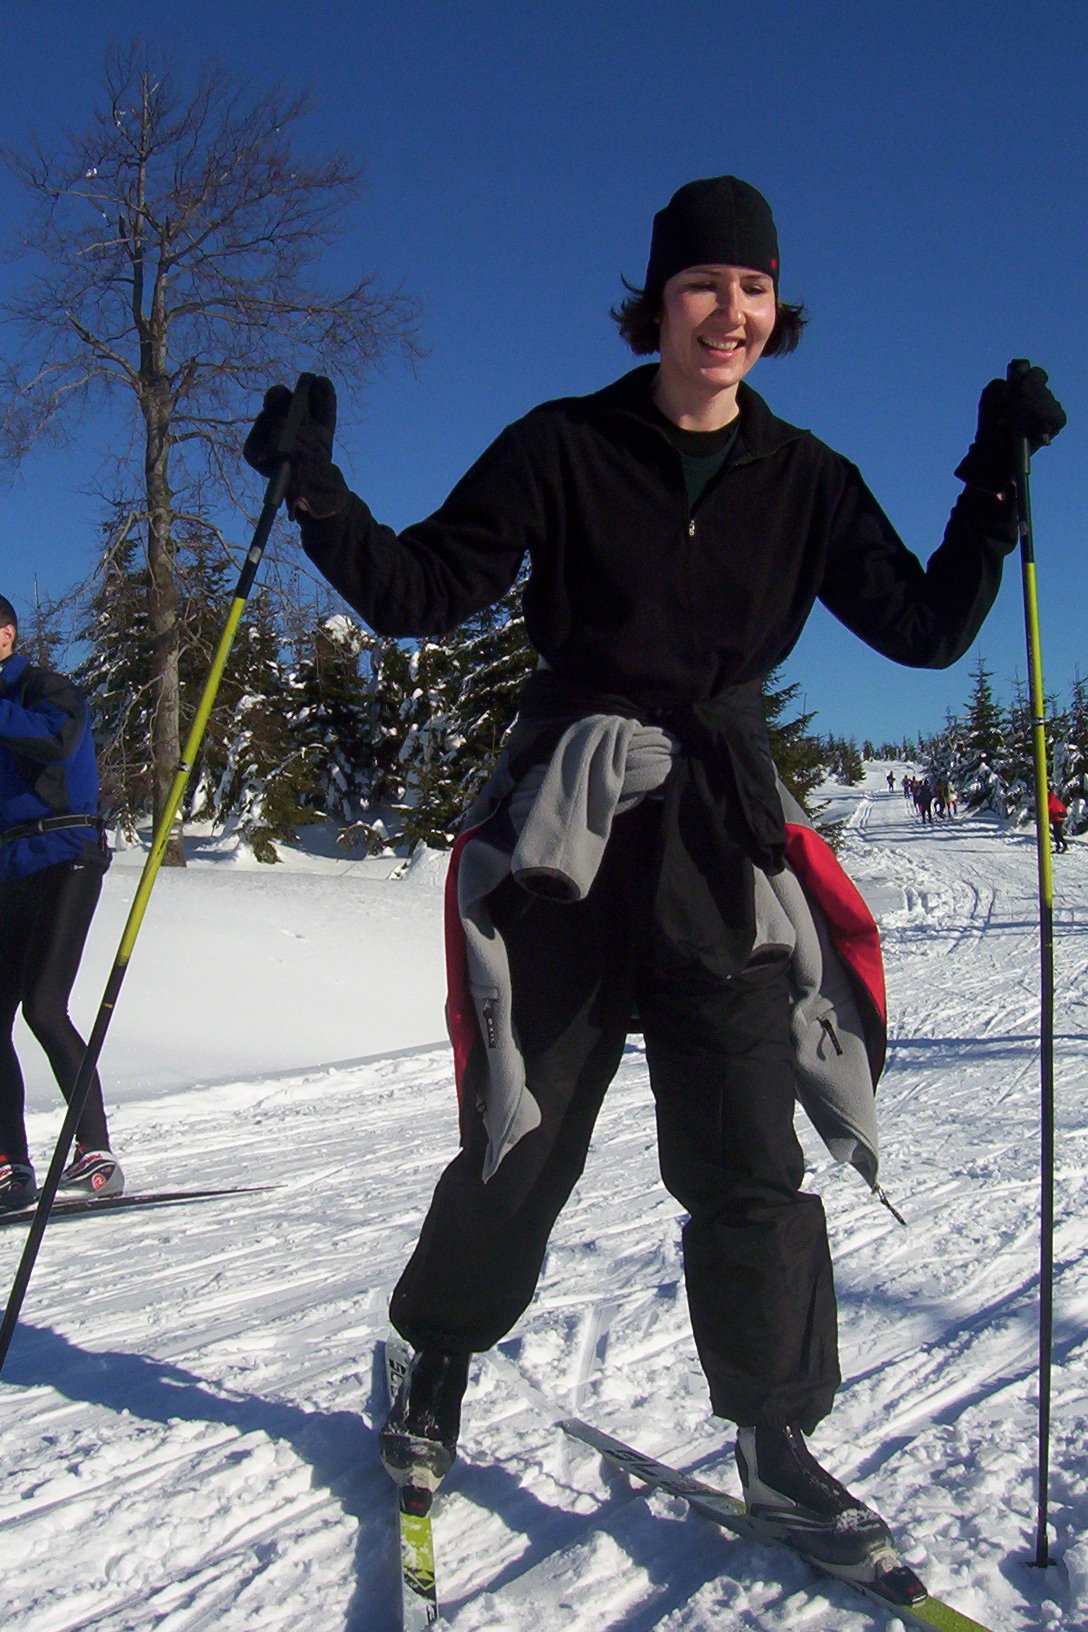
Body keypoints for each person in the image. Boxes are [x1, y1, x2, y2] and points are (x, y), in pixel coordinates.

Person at [245, 175, 1065, 1576]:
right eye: (704, 286)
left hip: (723, 847)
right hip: (567, 846)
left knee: (749, 1154)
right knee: (524, 1135)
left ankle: (774, 1436)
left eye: (753, 289)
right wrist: (315, 492)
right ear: (660, 299)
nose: (729, 313)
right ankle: (436, 1356)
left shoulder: (808, 478)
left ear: (773, 307)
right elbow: (422, 594)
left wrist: (994, 484)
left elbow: (926, 630)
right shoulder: (562, 445)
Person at [0, 596, 123, 1209]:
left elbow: (53, 741)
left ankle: (94, 1150)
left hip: (64, 854)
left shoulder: (44, 688)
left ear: (7, 635)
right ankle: (10, 1163)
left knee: (44, 1006)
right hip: (8, 867)